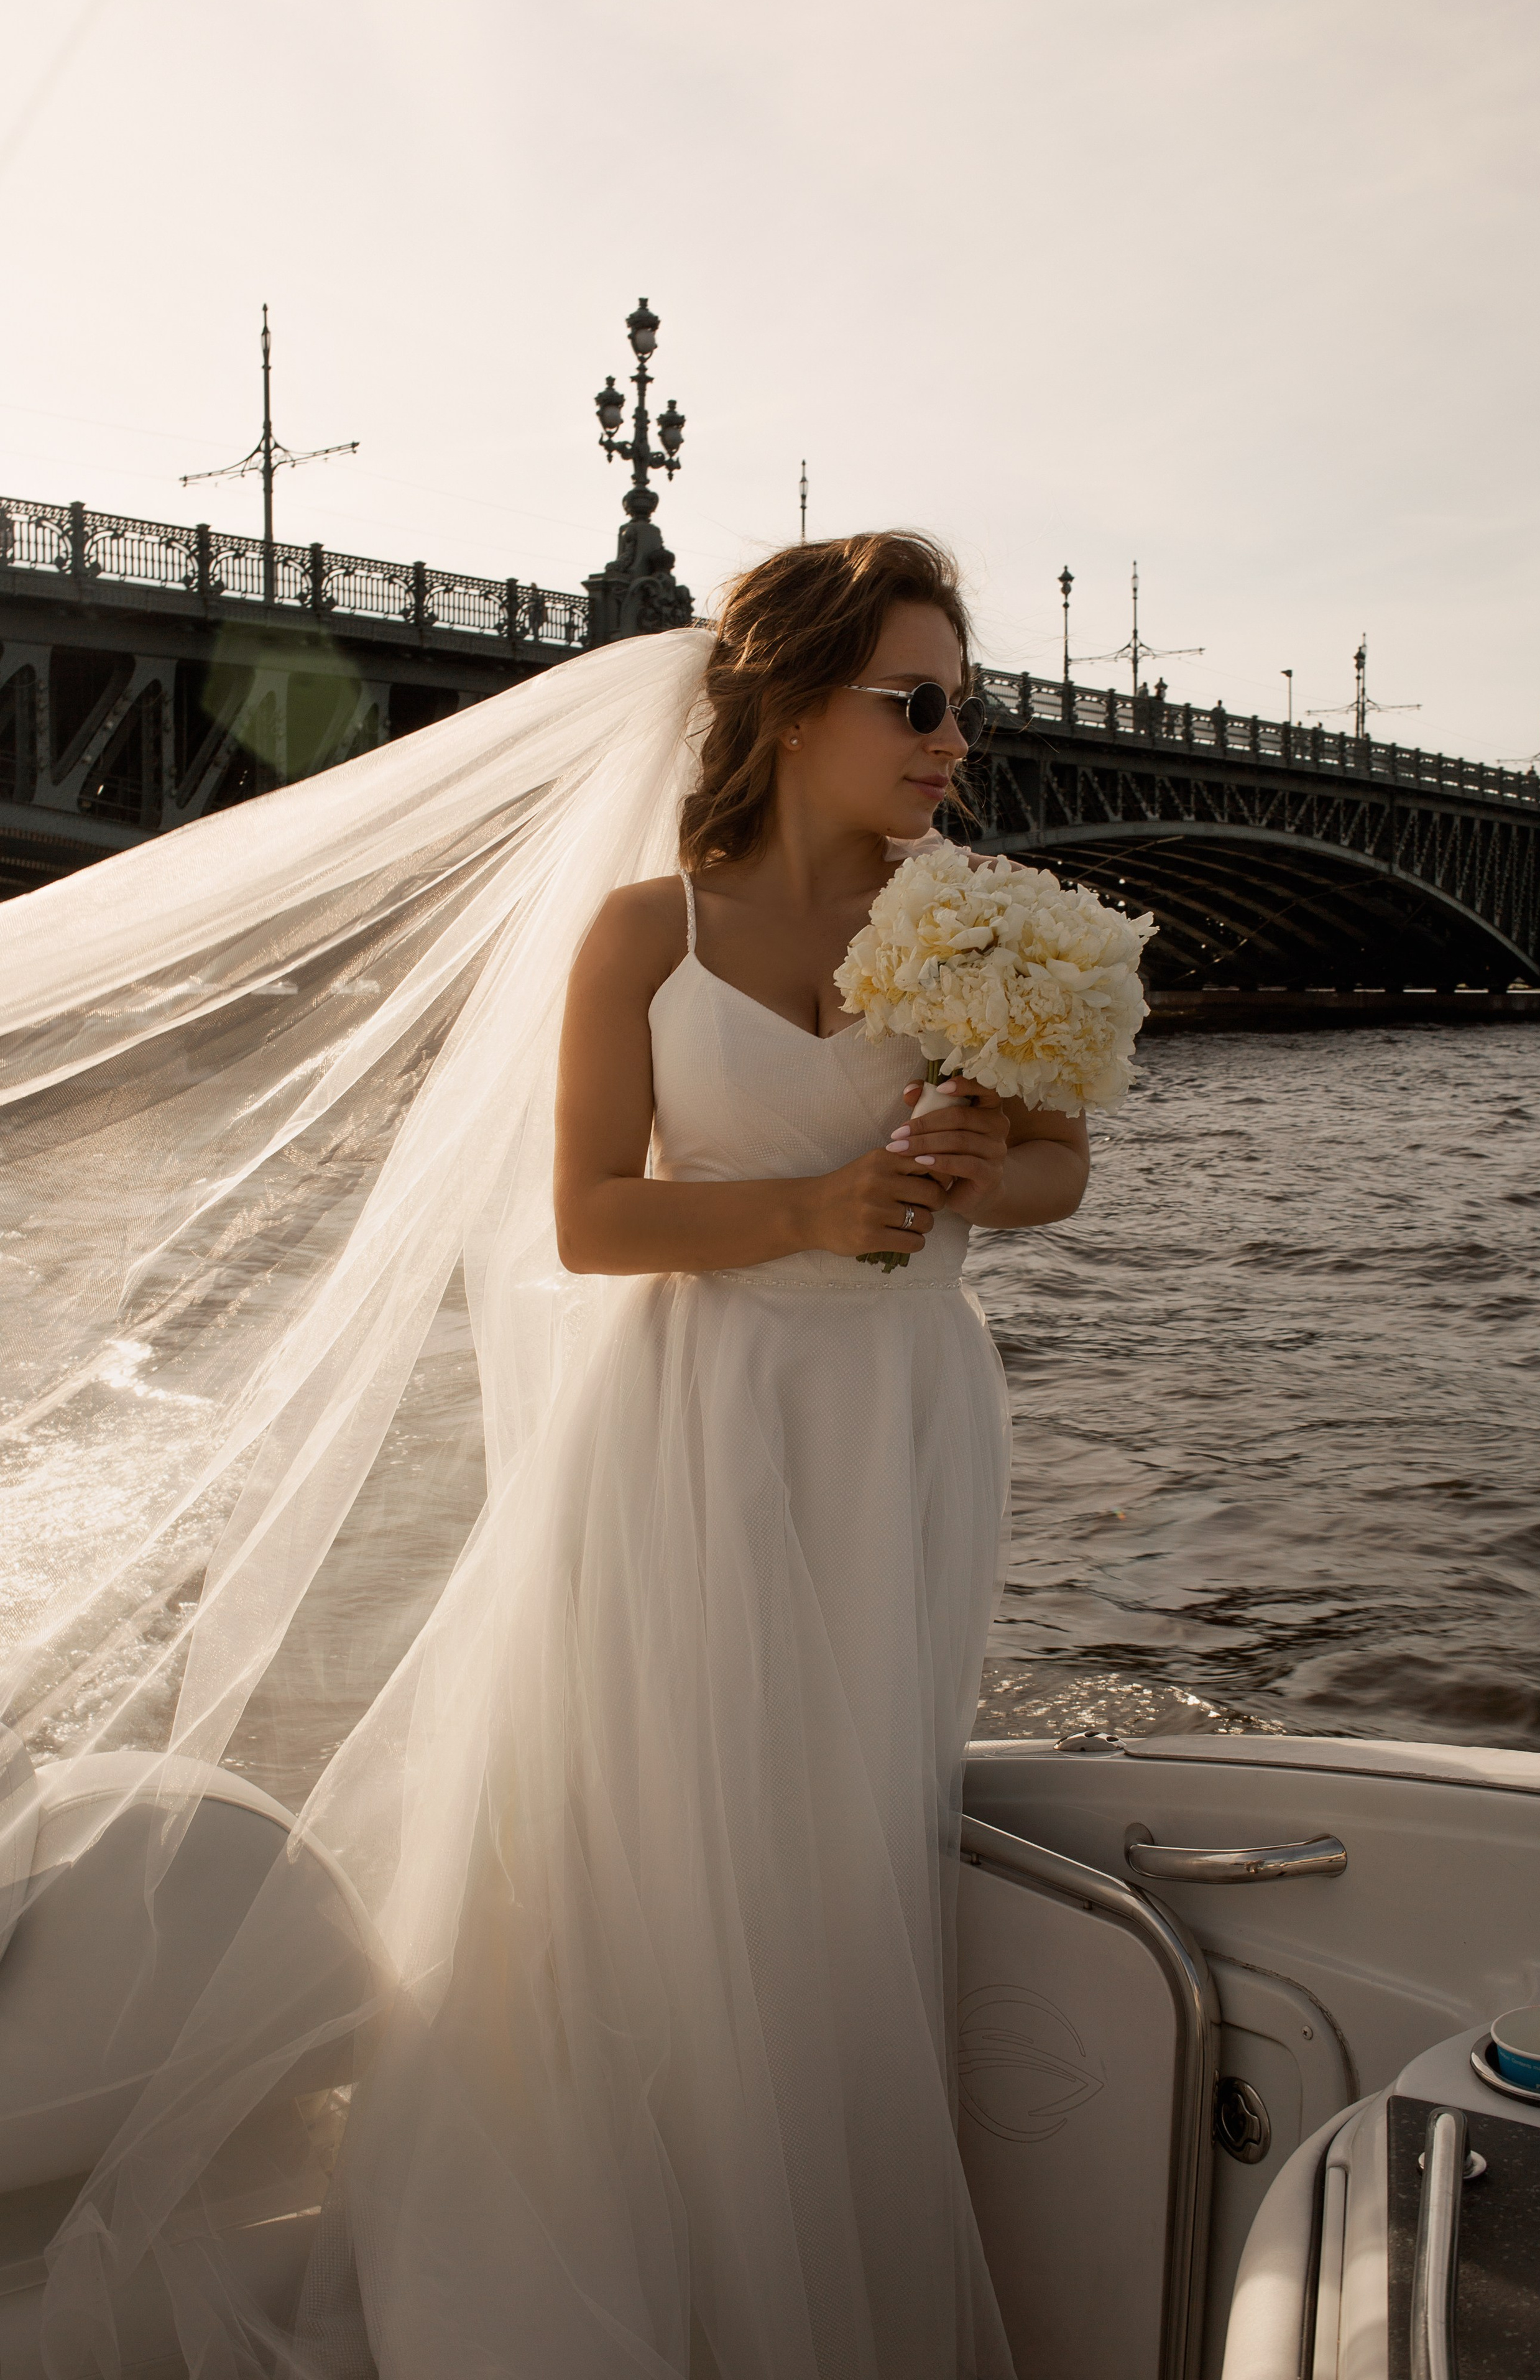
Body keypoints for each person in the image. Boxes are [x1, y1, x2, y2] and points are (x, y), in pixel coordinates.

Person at [0, 532, 1087, 2379]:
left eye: (961, 709)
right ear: (796, 705)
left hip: (902, 1420)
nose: (948, 741)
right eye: (915, 702)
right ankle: (648, 2251)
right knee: (669, 1834)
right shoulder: (646, 934)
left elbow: (1063, 1164)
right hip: (693, 1428)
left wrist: (996, 1171)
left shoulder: (971, 923)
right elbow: (587, 1222)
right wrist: (816, 1206)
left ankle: (800, 2223)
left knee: (847, 1836)